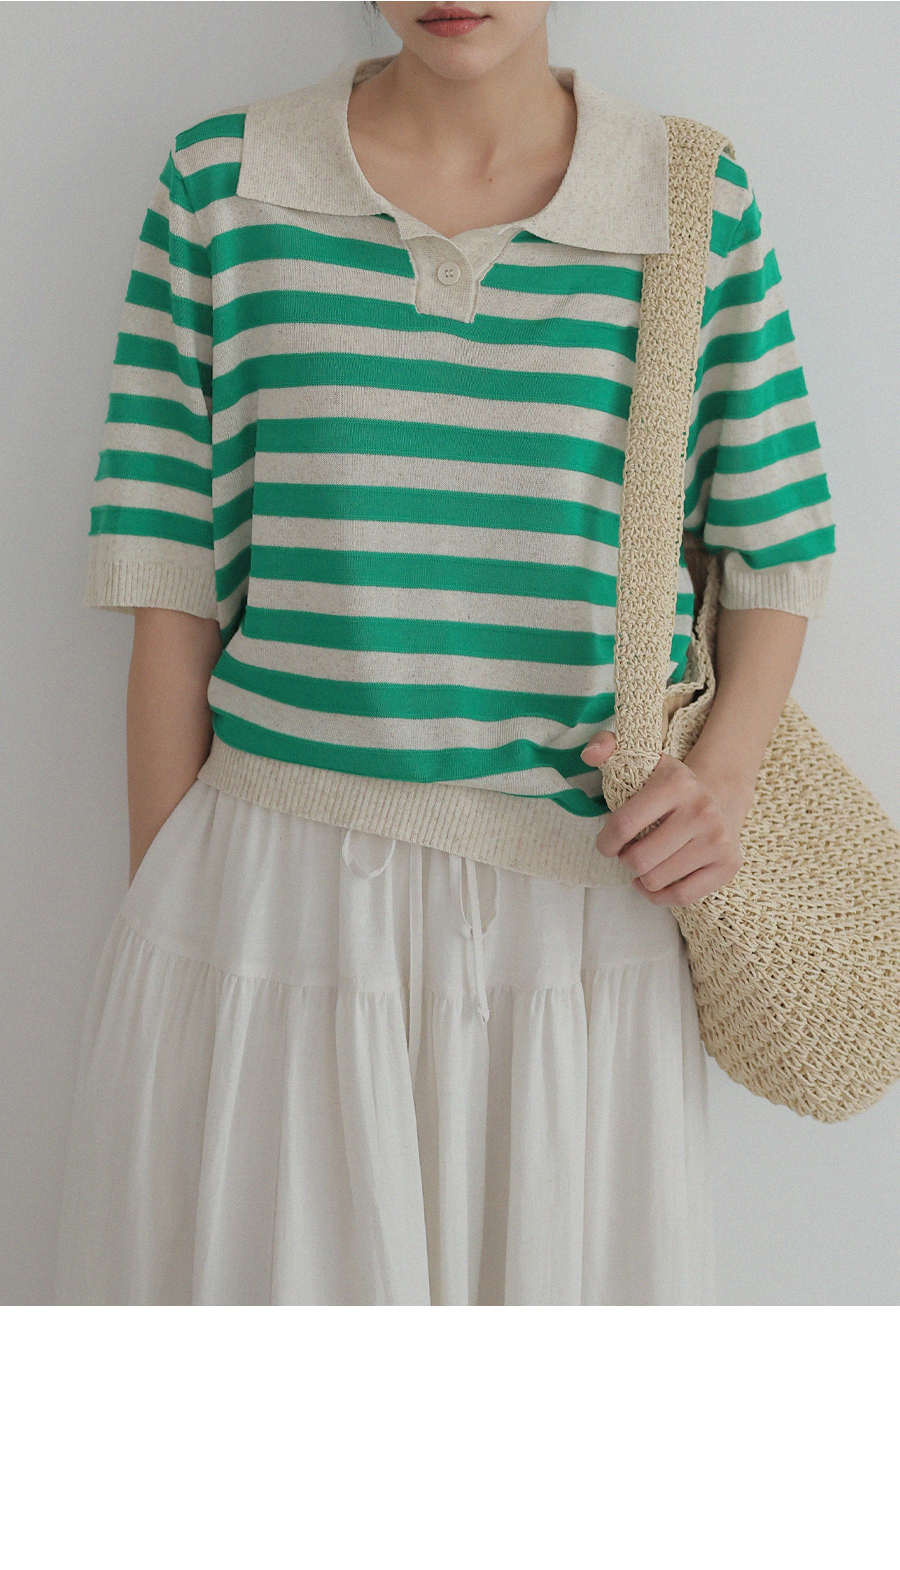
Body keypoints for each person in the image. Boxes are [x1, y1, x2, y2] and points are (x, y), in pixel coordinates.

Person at [52, 2, 834, 1306]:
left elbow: (776, 546)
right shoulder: (222, 184)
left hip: (577, 906)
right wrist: (176, 935)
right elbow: (169, 582)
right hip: (273, 891)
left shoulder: (689, 197)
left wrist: (728, 780)